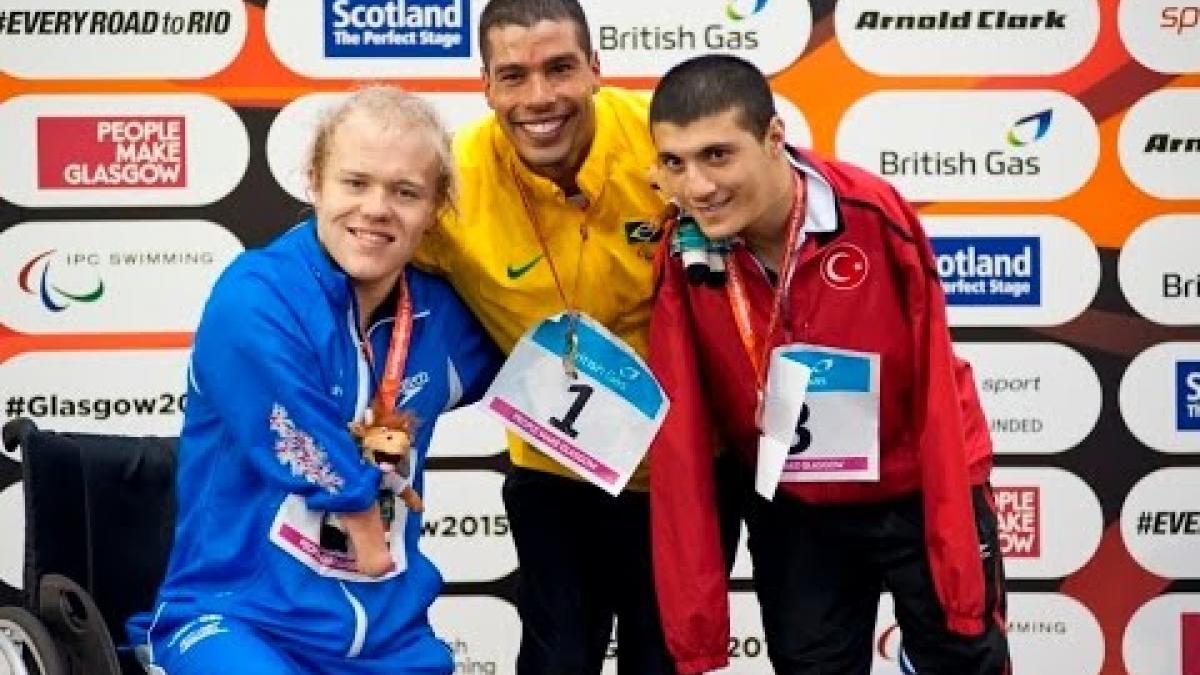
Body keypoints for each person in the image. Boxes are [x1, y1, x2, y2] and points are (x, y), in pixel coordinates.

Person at [646, 55, 1010, 674]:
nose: (698, 186)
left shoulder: (872, 214)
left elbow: (933, 378)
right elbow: (684, 417)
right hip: (796, 502)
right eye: (675, 163)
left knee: (962, 656)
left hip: (915, 483)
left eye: (717, 155)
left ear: (773, 137)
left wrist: (950, 501)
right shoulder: (683, 248)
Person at [413, 2, 743, 672]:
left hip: (689, 471)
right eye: (513, 75)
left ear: (596, 69)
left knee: (665, 662)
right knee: (555, 659)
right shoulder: (449, 184)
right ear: (485, 86)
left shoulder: (669, 147)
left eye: (559, 68)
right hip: (555, 469)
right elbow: (355, 252)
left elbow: (774, 206)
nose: (539, 98)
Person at [125, 86, 500, 675]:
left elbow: (539, 373)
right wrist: (366, 529)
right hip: (238, 621)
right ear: (315, 183)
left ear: (434, 211)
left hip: (390, 641)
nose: (376, 209)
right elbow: (301, 435)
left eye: (405, 192)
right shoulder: (255, 295)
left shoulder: (444, 319)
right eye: (355, 183)